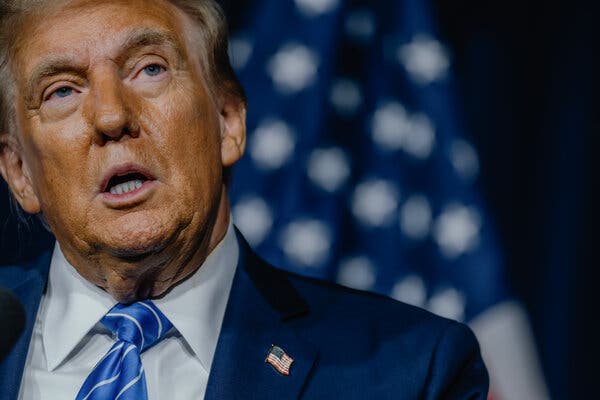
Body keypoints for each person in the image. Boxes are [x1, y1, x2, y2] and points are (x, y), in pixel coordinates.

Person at [0, 0, 488, 399]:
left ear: (228, 121)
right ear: (20, 171)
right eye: (61, 91)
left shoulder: (410, 371)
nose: (111, 117)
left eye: (149, 69)